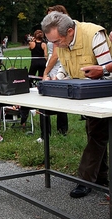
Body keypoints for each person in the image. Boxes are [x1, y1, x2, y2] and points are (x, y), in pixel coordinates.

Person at [41, 11, 112, 198]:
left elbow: (108, 68)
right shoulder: (63, 40)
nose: (55, 46)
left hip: (103, 94)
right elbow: (66, 65)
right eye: (52, 42)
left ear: (70, 31)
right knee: (94, 132)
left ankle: (85, 180)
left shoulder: (95, 35)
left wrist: (102, 70)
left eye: (57, 42)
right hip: (85, 95)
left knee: (97, 134)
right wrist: (58, 77)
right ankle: (101, 176)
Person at [37, 5, 70, 143]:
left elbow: (56, 55)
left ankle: (47, 133)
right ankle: (61, 130)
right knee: (58, 101)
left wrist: (46, 72)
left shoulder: (59, 33)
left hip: (56, 68)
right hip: (54, 66)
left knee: (46, 101)